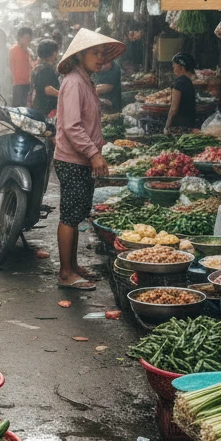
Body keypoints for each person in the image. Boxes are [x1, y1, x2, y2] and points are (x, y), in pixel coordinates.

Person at [53, 28, 125, 291]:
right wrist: (94, 153)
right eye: (94, 53)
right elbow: (72, 127)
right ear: (80, 55)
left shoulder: (84, 81)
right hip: (73, 159)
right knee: (70, 216)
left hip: (79, 158)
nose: (100, 58)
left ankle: (72, 267)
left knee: (78, 212)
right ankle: (65, 273)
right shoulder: (73, 82)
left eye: (101, 54)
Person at [164, 52, 197, 132]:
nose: (173, 68)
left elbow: (174, 109)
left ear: (182, 67)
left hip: (179, 125)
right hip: (190, 122)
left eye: (174, 66)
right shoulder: (189, 82)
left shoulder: (178, 83)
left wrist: (167, 127)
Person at [30, 38, 60, 117]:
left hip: (38, 105)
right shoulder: (46, 69)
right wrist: (62, 95)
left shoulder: (37, 67)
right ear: (53, 53)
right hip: (46, 108)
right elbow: (47, 89)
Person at [9, 25, 34, 106]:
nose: (28, 40)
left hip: (27, 84)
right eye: (26, 37)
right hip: (18, 85)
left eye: (29, 37)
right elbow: (10, 66)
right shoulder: (14, 50)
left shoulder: (28, 51)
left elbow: (31, 66)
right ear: (19, 38)